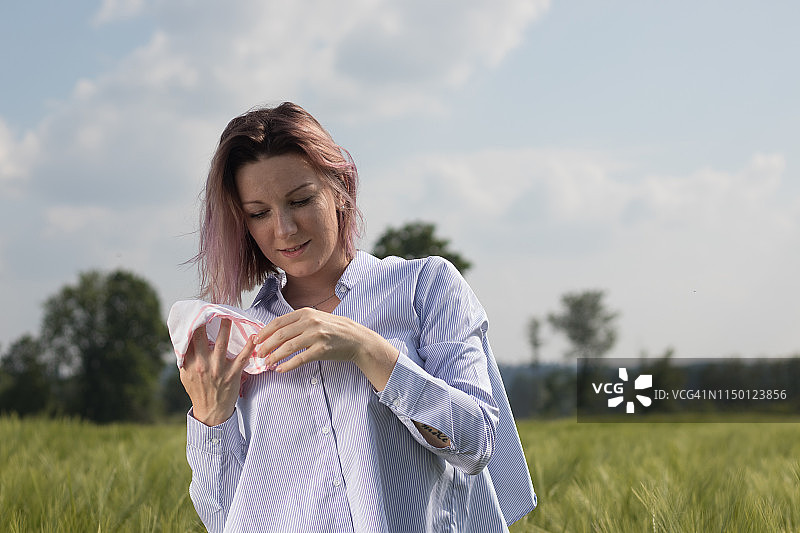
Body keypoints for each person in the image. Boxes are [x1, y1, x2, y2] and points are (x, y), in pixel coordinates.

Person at [178, 102, 536, 532]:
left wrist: (366, 349)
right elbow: (225, 522)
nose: (284, 229)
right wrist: (211, 418)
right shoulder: (245, 341)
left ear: (340, 188)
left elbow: (475, 444)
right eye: (259, 213)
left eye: (301, 200)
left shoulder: (425, 286)